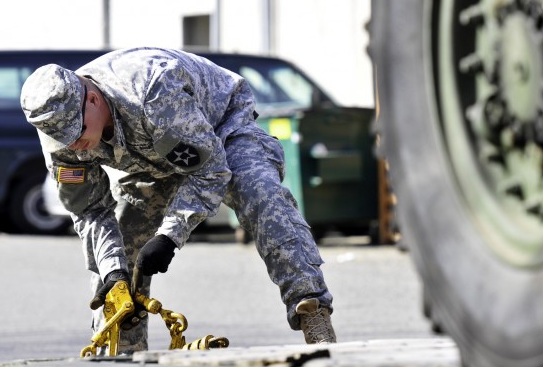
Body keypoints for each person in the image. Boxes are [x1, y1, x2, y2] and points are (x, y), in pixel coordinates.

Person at [20, 47, 336, 353]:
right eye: (64, 140)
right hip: (148, 163)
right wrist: (112, 268)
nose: (74, 147)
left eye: (77, 134)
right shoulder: (60, 132)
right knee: (118, 269)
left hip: (220, 131)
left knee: (261, 195)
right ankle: (122, 354)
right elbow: (88, 209)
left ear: (92, 99)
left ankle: (312, 311)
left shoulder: (152, 92)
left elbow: (210, 171)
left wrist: (169, 236)